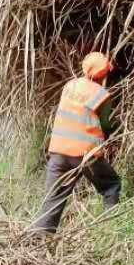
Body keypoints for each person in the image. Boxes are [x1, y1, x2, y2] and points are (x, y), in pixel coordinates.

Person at [30, 52, 122, 233]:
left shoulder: (69, 86)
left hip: (59, 153)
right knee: (111, 185)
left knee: (52, 201)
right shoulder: (101, 94)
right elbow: (105, 124)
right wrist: (111, 131)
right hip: (85, 154)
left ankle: (39, 239)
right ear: (104, 74)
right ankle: (110, 232)